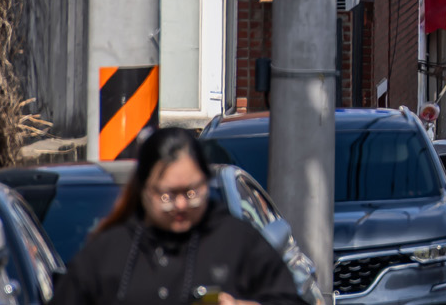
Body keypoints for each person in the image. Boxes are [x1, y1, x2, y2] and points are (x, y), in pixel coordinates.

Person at [54, 126, 303, 305]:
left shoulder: (237, 242)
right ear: (144, 190)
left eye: (192, 193)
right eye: (167, 196)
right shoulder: (110, 251)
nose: (181, 205)